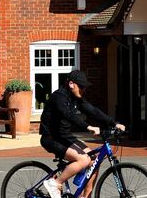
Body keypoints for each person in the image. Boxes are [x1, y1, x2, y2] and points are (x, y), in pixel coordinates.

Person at [39, 70, 125, 198]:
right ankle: (55, 183)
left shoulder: (76, 98)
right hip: (51, 137)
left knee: (94, 160)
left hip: (65, 136)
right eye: (82, 86)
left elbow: (93, 111)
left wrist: (113, 123)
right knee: (83, 159)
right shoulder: (59, 97)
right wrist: (87, 126)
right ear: (71, 84)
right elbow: (68, 115)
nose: (84, 89)